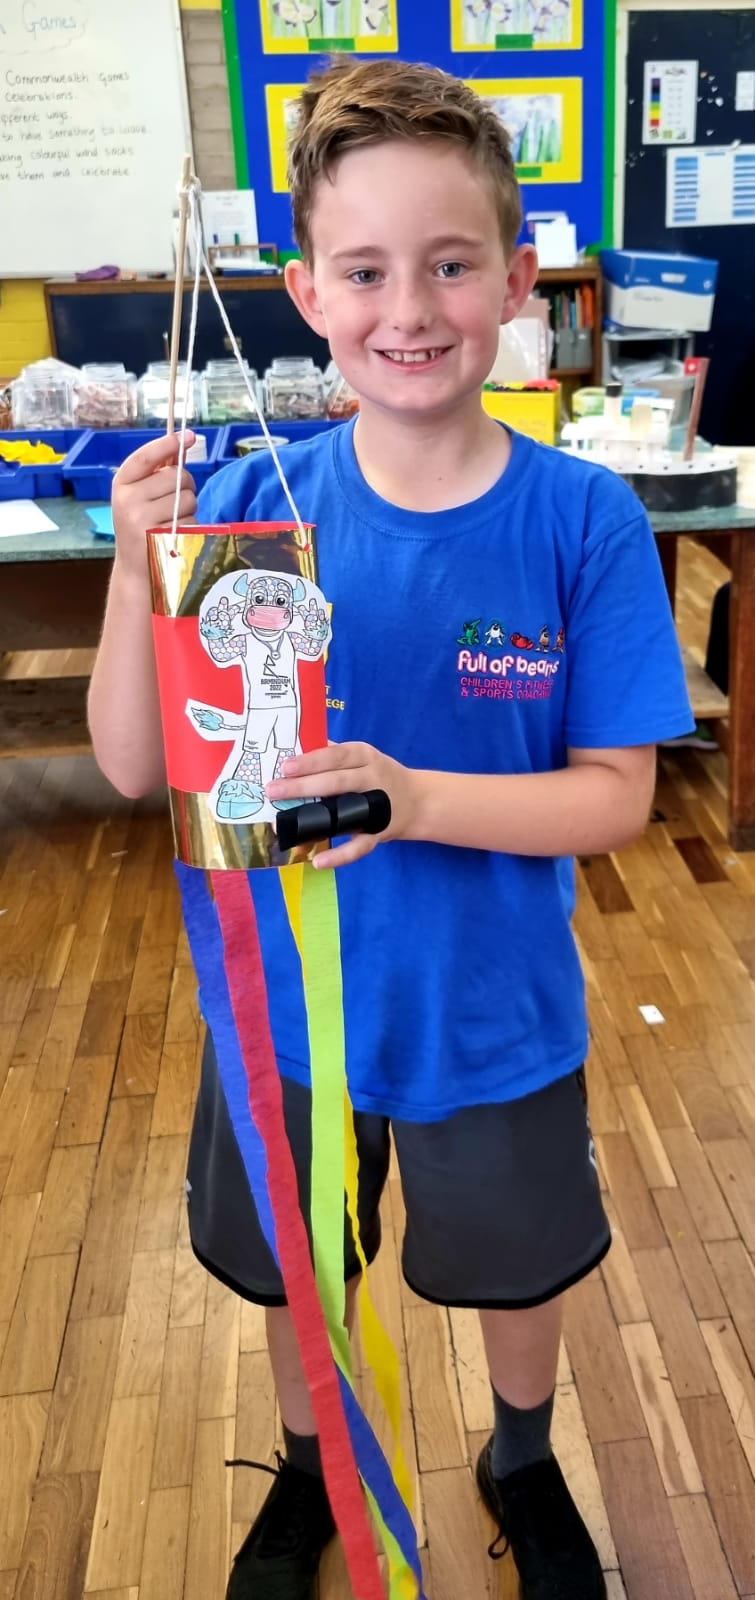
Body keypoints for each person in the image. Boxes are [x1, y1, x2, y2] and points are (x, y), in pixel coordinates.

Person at [89, 58, 693, 1600]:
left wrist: (417, 798)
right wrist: (133, 564)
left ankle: (522, 1457)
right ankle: (309, 1468)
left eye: (450, 264)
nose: (408, 308)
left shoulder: (582, 521)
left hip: (493, 1012)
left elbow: (617, 796)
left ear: (518, 281)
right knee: (300, 1265)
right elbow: (131, 764)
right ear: (306, 293)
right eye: (364, 271)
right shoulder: (248, 506)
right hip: (281, 1016)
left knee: (518, 1264)